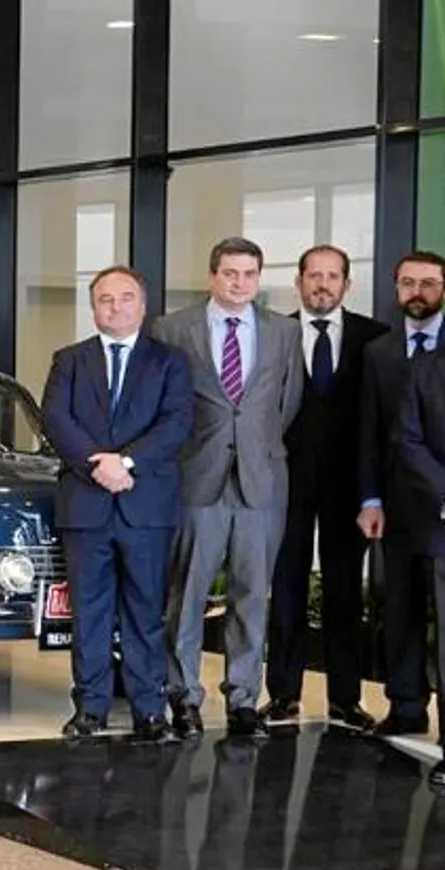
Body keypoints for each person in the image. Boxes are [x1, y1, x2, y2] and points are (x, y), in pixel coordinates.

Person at [149, 237, 303, 737]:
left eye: (250, 274)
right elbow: (164, 405)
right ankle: (183, 697)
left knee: (252, 596)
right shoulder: (173, 329)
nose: (240, 283)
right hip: (197, 477)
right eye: (231, 274)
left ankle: (243, 699)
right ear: (213, 275)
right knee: (186, 594)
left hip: (261, 482)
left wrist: (255, 447)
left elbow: (287, 402)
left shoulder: (283, 331)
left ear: (260, 278)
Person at [41, 268, 194, 740]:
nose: (116, 307)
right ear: (93, 308)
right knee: (89, 611)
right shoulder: (69, 360)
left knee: (146, 611)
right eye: (105, 299)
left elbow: (177, 422)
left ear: (142, 305)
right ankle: (91, 707)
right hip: (86, 506)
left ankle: (150, 709)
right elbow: (55, 419)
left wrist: (126, 462)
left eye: (126, 298)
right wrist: (96, 465)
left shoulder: (169, 361)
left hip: (145, 506)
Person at [265, 245, 388, 732]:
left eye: (332, 276)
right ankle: (284, 695)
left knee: (343, 594)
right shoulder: (275, 336)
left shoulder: (374, 339)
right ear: (299, 282)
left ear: (346, 285)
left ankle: (344, 699)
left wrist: (373, 492)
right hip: (286, 484)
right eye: (314, 276)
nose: (322, 284)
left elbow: (380, 422)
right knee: (288, 587)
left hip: (350, 489)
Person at [360, 249, 445, 738]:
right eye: (409, 283)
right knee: (400, 608)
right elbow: (370, 433)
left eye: (429, 283)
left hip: (442, 504)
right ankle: (406, 707)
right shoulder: (380, 351)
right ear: (396, 289)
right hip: (395, 504)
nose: (418, 292)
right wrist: (369, 498)